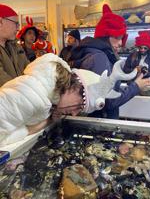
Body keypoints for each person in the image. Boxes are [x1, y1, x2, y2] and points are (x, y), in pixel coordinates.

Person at [0, 53, 135, 146]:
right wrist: (27, 130)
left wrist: (49, 119)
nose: (75, 113)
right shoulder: (32, 95)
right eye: (79, 105)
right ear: (75, 87)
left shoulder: (48, 96)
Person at [69, 4, 150, 119]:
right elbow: (106, 102)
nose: (120, 43)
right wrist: (136, 86)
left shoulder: (95, 53)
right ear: (105, 36)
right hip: (101, 120)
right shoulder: (99, 57)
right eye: (117, 37)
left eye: (121, 38)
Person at [0, 4, 29, 87]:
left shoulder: (16, 46)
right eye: (16, 23)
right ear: (0, 22)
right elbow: (6, 85)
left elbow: (29, 69)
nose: (18, 28)